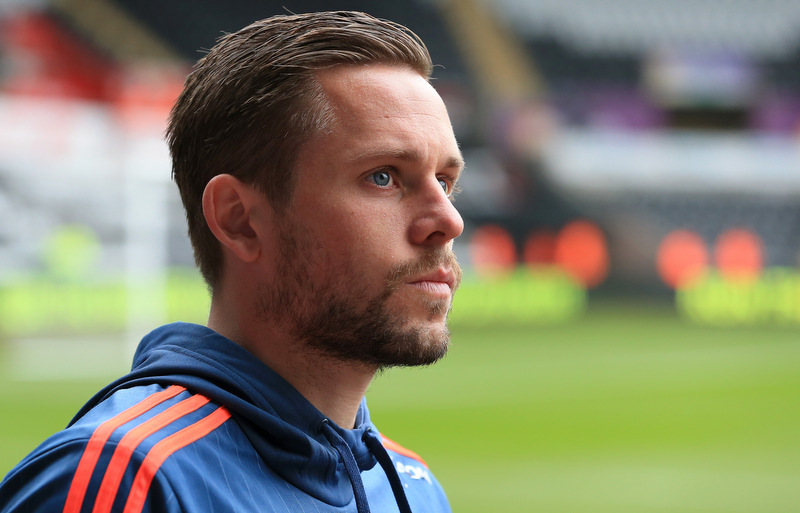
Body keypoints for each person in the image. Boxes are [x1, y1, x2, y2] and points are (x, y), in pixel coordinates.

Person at [0, 10, 464, 513]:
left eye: (444, 180)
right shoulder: (126, 479)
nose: (448, 220)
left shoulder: (412, 487)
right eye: (384, 177)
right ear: (240, 219)